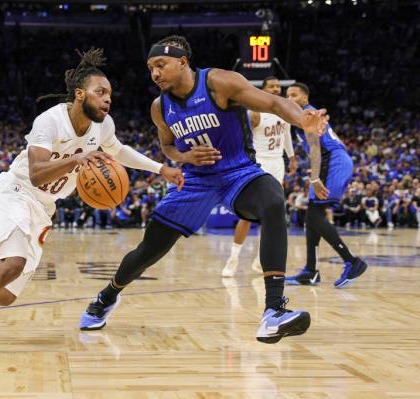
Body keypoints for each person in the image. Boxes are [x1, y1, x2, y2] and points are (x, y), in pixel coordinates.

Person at [0, 48, 183, 364]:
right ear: (80, 94)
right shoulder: (50, 121)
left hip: (44, 208)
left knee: (4, 293)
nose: (108, 99)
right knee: (11, 264)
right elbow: (38, 173)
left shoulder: (103, 125)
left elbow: (119, 150)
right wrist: (78, 159)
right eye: (101, 92)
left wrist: (161, 169)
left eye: (110, 93)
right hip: (17, 191)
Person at [79, 35, 327, 344]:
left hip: (238, 172)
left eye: (160, 65)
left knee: (274, 201)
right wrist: (184, 157)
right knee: (148, 251)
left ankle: (273, 311)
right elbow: (167, 146)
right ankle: (106, 298)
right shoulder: (160, 107)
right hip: (195, 181)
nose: (155, 73)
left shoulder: (220, 82)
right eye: (150, 68)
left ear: (182, 62)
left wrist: (302, 119)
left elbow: (274, 103)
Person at [285, 82, 367, 288]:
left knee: (313, 215)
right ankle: (310, 271)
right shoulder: (301, 115)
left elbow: (315, 149)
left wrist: (314, 178)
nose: (289, 99)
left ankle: (352, 261)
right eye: (287, 95)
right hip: (329, 162)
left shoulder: (308, 114)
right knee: (311, 217)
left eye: (294, 95)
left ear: (305, 98)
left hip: (333, 161)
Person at [221, 76, 296, 277]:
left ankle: (259, 260)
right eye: (271, 86)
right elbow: (239, 136)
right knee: (247, 216)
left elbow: (287, 134)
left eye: (278, 86)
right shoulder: (255, 113)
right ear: (262, 90)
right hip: (259, 163)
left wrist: (292, 156)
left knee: (273, 215)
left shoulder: (284, 109)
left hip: (278, 163)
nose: (276, 89)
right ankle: (233, 258)